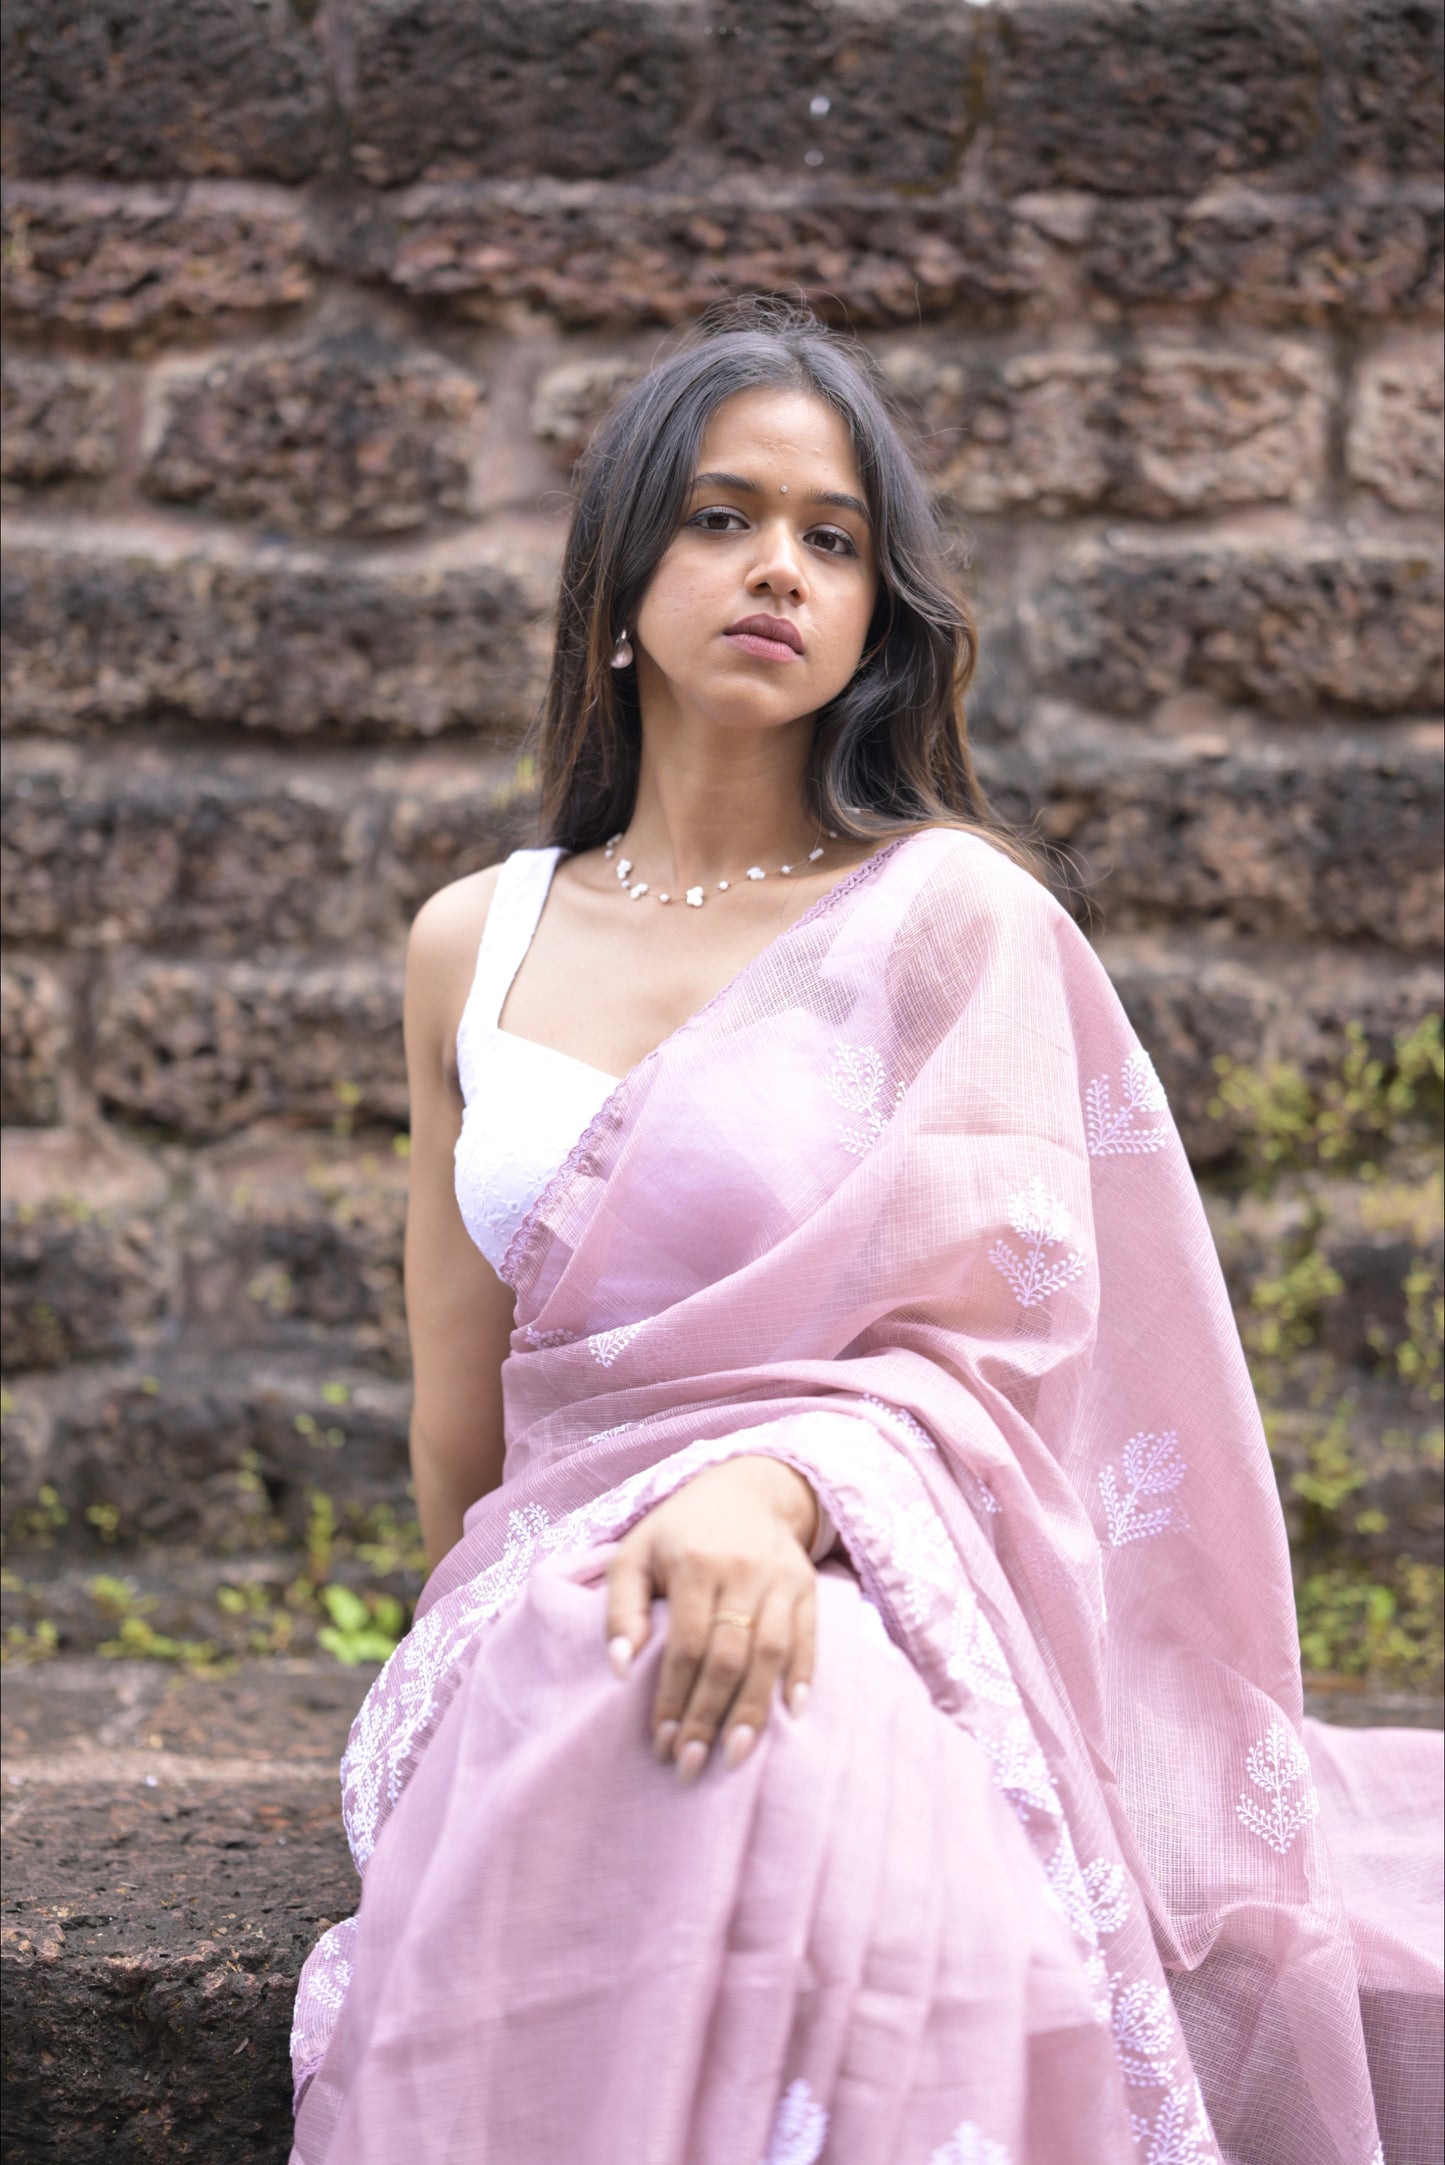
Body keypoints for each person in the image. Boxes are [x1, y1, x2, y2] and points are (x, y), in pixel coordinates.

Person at [289, 301, 1441, 2165]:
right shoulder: (468, 941)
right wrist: (498, 1635)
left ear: (877, 614)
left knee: (821, 1757)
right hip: (547, 1592)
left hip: (871, 1567)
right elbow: (466, 1408)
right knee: (630, 1688)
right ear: (617, 579)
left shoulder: (944, 925)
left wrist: (768, 1490)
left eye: (831, 539)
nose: (778, 569)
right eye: (724, 517)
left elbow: (1005, 1347)